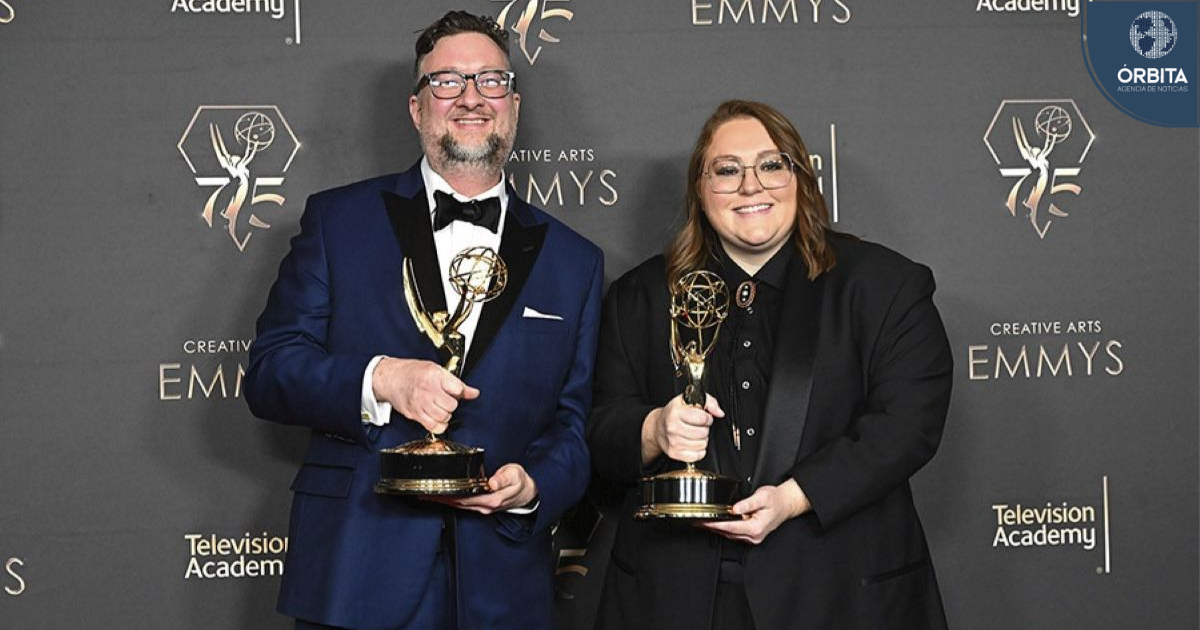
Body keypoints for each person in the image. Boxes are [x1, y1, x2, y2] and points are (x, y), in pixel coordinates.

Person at [245, 11, 603, 630]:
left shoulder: (576, 261)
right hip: (355, 570)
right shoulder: (338, 222)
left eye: (491, 80)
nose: (471, 97)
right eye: (446, 81)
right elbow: (271, 372)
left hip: (503, 583)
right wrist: (381, 379)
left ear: (514, 106)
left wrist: (533, 486)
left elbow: (574, 426)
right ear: (416, 108)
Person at [587, 100, 953, 630]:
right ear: (699, 190)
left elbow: (908, 425)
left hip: (839, 594)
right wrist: (653, 430)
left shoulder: (884, 286)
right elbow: (597, 428)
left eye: (771, 165)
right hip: (675, 598)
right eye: (727, 170)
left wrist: (795, 497)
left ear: (800, 178)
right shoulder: (639, 296)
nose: (750, 186)